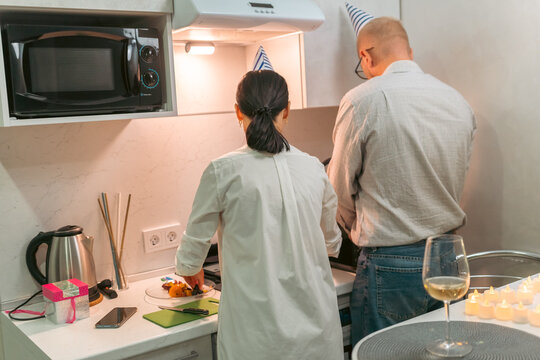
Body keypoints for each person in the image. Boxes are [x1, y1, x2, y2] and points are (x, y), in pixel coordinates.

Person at [327, 15, 476, 345]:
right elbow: (456, 177)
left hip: (390, 264)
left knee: (384, 354)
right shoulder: (457, 101)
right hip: (448, 258)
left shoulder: (362, 99)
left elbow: (335, 190)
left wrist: (353, 228)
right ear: (408, 50)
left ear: (366, 55)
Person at [176, 70, 344, 360]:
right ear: (287, 109)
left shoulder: (222, 171)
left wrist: (190, 268)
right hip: (316, 332)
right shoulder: (313, 167)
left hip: (255, 337)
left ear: (237, 112)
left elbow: (192, 252)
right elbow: (332, 244)